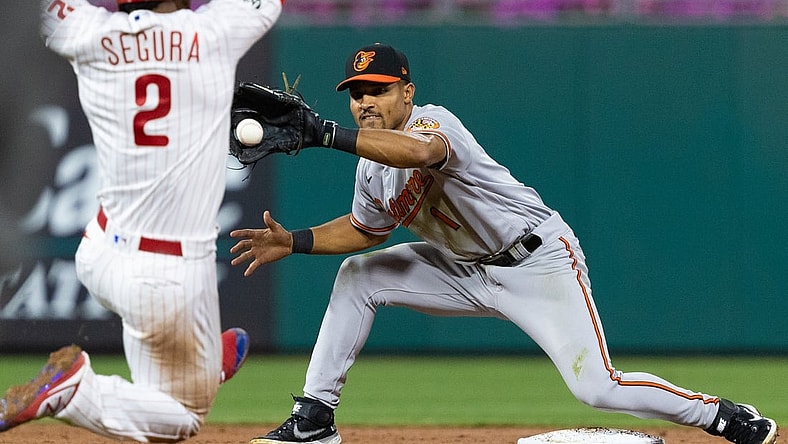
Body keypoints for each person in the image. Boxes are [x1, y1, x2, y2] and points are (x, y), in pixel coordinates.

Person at [228, 43, 778, 444]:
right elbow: (367, 230)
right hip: (462, 269)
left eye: (379, 89)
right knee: (359, 275)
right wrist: (294, 240)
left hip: (536, 261)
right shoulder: (371, 170)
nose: (365, 101)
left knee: (597, 387)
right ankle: (315, 419)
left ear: (407, 93)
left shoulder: (432, 123)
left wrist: (325, 134)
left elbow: (419, 155)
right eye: (356, 94)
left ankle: (721, 416)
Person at [0, 0, 282, 441]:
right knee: (185, 414)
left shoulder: (88, 32)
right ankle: (75, 392)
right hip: (167, 277)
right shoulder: (215, 31)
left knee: (165, 377)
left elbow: (33, 10)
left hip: (99, 249)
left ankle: (205, 365)